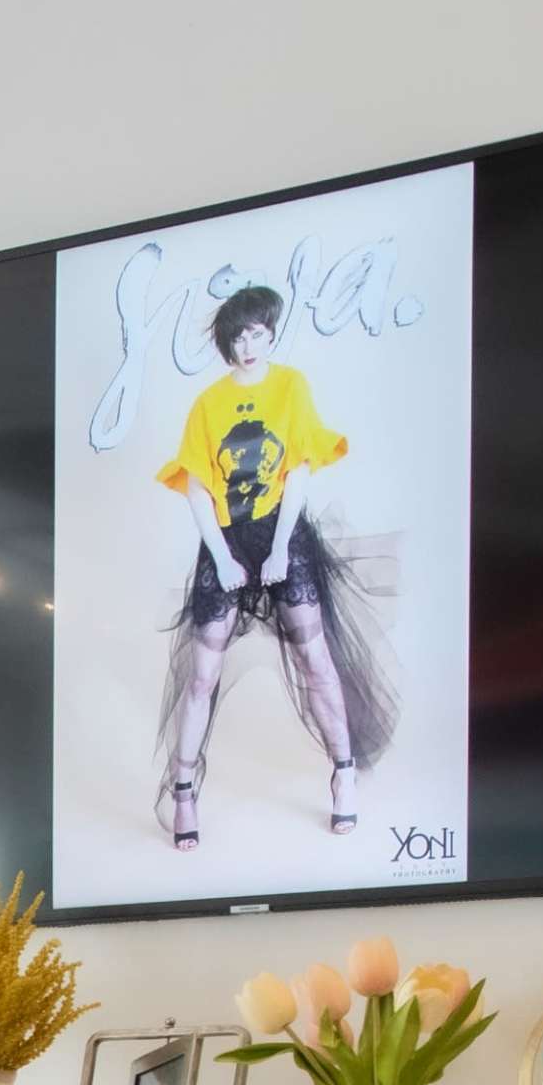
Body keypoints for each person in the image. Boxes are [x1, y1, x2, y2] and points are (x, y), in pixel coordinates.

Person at [153, 284, 397, 849]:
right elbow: (195, 485)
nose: (250, 344)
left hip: (282, 532)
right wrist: (220, 554)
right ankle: (184, 789)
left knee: (316, 659)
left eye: (259, 333)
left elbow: (299, 471)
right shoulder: (208, 404)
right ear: (226, 340)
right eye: (239, 335)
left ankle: (343, 772)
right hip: (225, 537)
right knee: (201, 675)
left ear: (270, 333)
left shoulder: (290, 387)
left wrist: (282, 546)